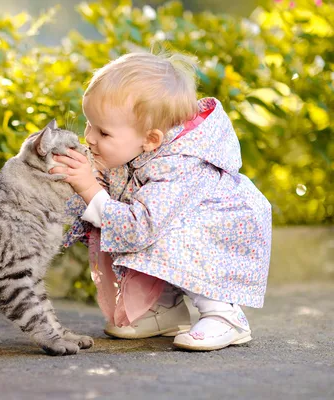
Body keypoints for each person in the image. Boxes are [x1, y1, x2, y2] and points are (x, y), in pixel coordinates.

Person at [52, 50, 272, 351]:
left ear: (151, 139)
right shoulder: (134, 147)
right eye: (89, 124)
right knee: (129, 223)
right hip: (164, 219)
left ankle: (225, 314)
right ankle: (166, 308)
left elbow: (139, 227)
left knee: (165, 234)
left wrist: (90, 188)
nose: (89, 137)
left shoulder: (179, 165)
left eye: (103, 131)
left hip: (221, 229)